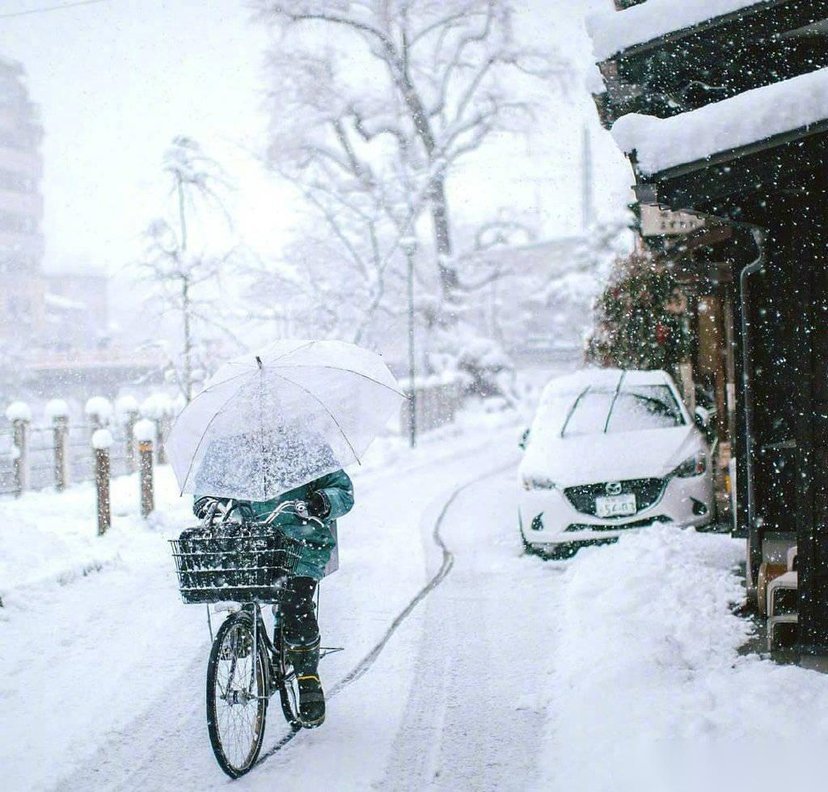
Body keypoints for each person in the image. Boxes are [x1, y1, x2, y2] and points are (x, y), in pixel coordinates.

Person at [194, 468, 353, 728]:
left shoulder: (306, 447)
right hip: (247, 541)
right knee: (238, 591)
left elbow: (342, 490)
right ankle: (244, 631)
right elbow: (208, 484)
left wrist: (321, 501)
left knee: (296, 604)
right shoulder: (230, 450)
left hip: (301, 544)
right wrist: (207, 502)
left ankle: (307, 675)